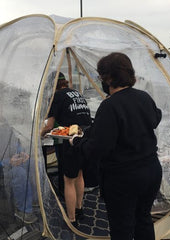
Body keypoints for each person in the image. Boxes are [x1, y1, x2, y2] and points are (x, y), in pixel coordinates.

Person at [70, 52, 162, 240]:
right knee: (143, 219)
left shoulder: (110, 106)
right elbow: (155, 117)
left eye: (102, 76)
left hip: (123, 179)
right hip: (151, 171)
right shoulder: (144, 97)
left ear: (110, 78)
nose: (101, 80)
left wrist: (77, 141)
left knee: (122, 228)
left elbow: (98, 149)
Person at [41, 72, 92, 227]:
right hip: (85, 137)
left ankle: (71, 219)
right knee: (80, 174)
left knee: (68, 180)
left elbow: (49, 126)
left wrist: (39, 134)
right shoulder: (76, 93)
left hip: (70, 139)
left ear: (52, 85)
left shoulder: (58, 96)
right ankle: (79, 209)